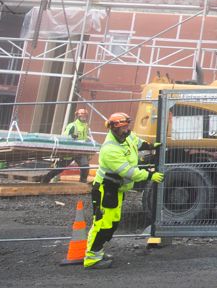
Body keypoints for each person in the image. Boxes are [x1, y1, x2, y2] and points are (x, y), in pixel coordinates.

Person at [84, 112, 162, 269]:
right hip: (105, 190)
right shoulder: (110, 150)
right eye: (123, 128)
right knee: (102, 224)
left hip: (115, 189)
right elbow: (128, 172)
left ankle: (97, 252)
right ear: (113, 129)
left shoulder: (126, 137)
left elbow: (137, 142)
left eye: (127, 126)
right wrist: (150, 175)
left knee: (112, 223)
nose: (127, 130)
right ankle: (92, 258)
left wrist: (150, 146)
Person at [43, 107, 94, 183]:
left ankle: (83, 183)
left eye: (85, 116)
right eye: (82, 116)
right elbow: (64, 137)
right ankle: (46, 179)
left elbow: (86, 137)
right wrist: (71, 137)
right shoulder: (72, 125)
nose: (84, 117)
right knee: (60, 168)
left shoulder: (86, 126)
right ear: (78, 116)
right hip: (70, 151)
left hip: (80, 151)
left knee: (85, 166)